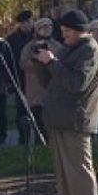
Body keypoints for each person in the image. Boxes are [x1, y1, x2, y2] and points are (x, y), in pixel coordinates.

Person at [36, 9, 98, 195]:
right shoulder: (69, 49)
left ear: (79, 31)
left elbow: (77, 83)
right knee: (64, 175)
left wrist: (53, 62)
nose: (63, 35)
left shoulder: (90, 51)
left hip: (76, 120)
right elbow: (52, 81)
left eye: (67, 31)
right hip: (59, 119)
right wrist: (42, 63)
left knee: (79, 172)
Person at [20, 18, 62, 146]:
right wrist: (36, 61)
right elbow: (23, 63)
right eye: (44, 27)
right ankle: (40, 141)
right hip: (35, 87)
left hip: (53, 87)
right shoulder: (29, 46)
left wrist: (52, 61)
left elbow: (63, 62)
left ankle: (53, 141)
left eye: (49, 27)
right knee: (38, 117)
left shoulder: (57, 45)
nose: (47, 29)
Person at [6, 10, 37, 145]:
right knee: (22, 109)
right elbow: (8, 61)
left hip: (37, 79)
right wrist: (9, 80)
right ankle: (23, 137)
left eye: (29, 21)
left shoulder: (38, 36)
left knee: (38, 108)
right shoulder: (12, 40)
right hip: (20, 78)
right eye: (23, 22)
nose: (27, 25)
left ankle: (39, 136)